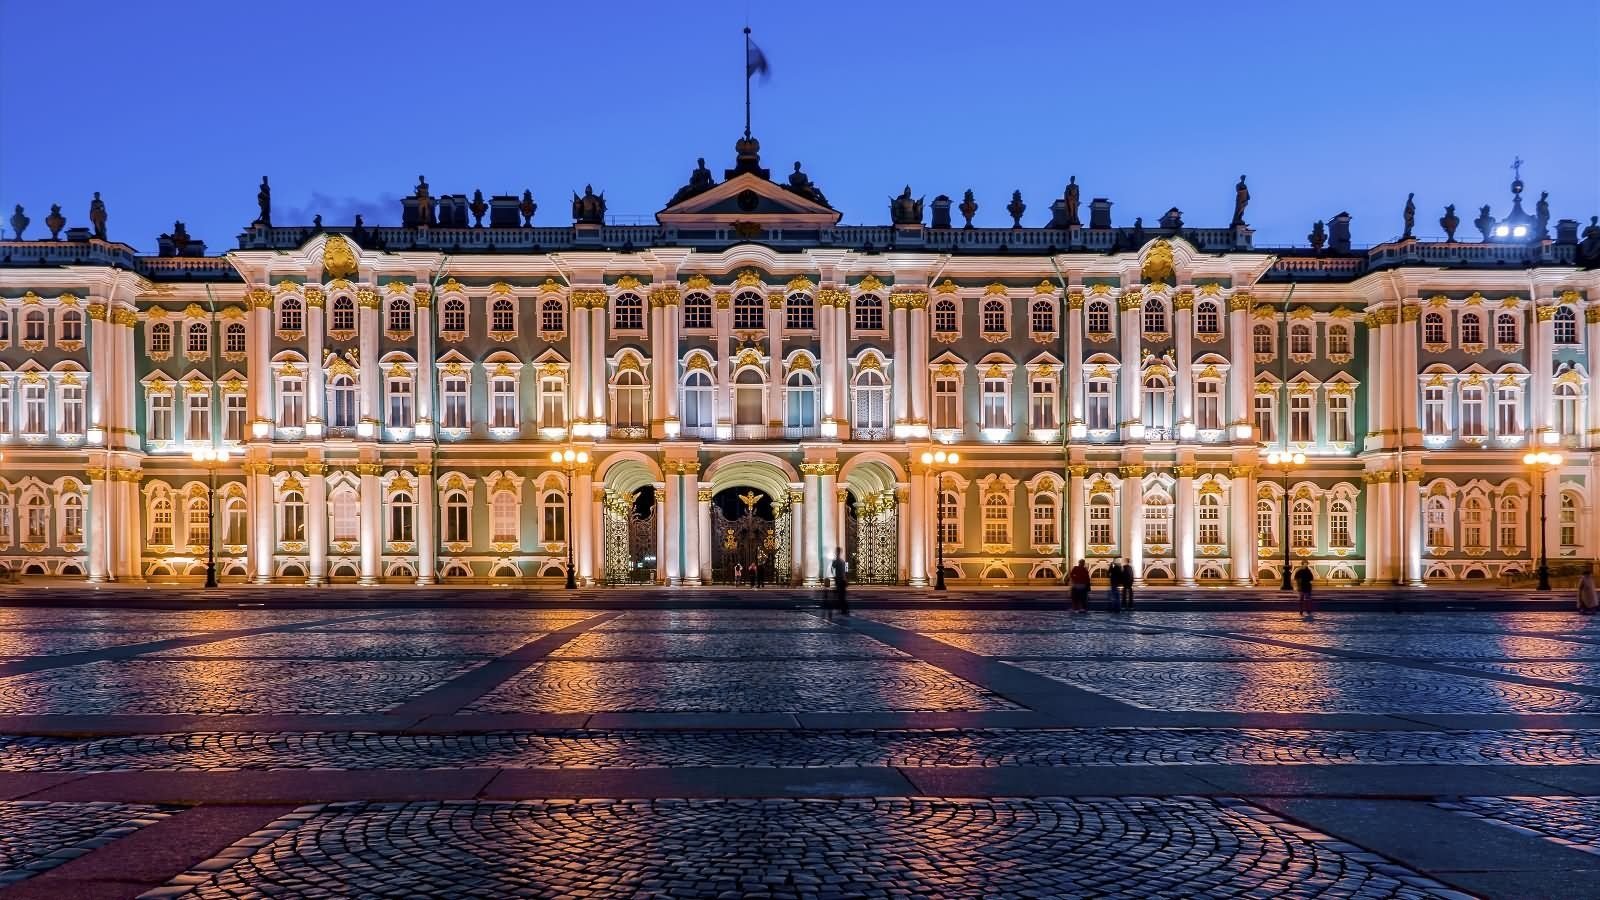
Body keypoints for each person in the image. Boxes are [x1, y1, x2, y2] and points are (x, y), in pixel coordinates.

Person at [832, 547, 850, 617]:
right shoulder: (842, 561)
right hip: (841, 581)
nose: (836, 553)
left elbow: (833, 569)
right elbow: (845, 571)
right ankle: (844, 610)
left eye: (836, 551)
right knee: (841, 596)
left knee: (841, 597)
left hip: (840, 581)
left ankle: (844, 610)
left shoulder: (838, 561)